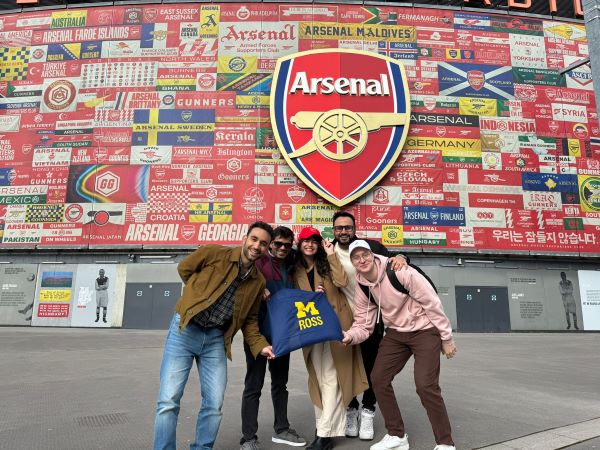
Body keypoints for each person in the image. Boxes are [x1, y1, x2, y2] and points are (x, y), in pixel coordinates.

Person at [153, 221, 276, 450]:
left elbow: (249, 320)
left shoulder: (258, 281)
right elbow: (185, 269)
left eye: (263, 244)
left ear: (267, 249)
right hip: (185, 330)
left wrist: (261, 345)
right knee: (168, 401)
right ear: (245, 238)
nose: (257, 246)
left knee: (214, 403)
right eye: (254, 239)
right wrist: (197, 295)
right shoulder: (214, 253)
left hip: (216, 340)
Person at [342, 240, 457, 450]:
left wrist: (446, 338)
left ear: (372, 255)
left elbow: (432, 302)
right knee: (378, 379)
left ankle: (445, 442)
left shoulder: (400, 270)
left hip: (424, 330)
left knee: (425, 386)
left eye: (365, 254)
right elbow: (363, 324)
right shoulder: (362, 286)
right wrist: (349, 336)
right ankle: (396, 435)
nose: (362, 260)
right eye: (356, 257)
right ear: (352, 262)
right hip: (395, 333)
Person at [331, 211, 407, 440]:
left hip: (372, 319)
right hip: (342, 320)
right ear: (333, 231)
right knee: (346, 367)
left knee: (372, 367)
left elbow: (394, 260)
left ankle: (368, 411)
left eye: (347, 227)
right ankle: (351, 410)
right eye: (339, 228)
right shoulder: (327, 251)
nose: (343, 231)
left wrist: (402, 256)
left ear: (354, 229)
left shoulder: (370, 247)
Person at [293, 226, 368, 450]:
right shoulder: (294, 268)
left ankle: (325, 434)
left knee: (333, 379)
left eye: (314, 241)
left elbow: (343, 281)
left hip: (336, 325)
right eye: (306, 241)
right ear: (300, 244)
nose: (310, 245)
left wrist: (331, 255)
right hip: (311, 327)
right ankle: (324, 428)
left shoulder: (327, 262)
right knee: (317, 378)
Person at [240, 226, 306, 449]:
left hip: (282, 334)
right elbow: (238, 273)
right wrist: (259, 288)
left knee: (280, 384)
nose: (282, 248)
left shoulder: (292, 262)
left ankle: (282, 429)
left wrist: (401, 256)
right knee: (254, 385)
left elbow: (317, 258)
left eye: (287, 245)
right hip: (257, 333)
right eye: (277, 244)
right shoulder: (257, 261)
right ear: (270, 244)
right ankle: (248, 438)